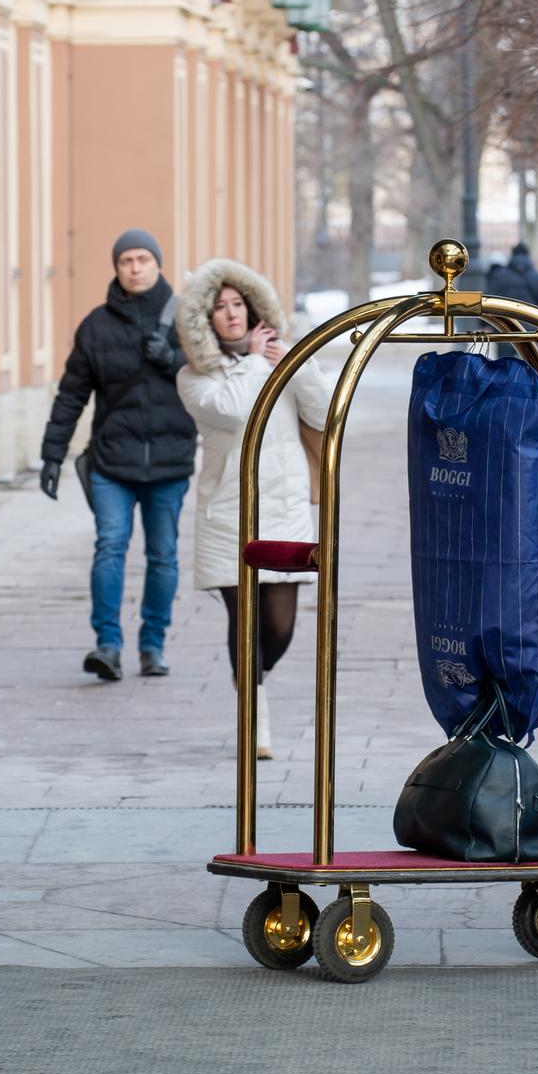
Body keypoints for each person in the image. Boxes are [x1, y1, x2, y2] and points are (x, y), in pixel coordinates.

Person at [176, 258, 330, 761]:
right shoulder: (195, 378)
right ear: (206, 321)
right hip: (229, 515)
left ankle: (252, 685)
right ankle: (256, 721)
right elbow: (233, 409)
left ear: (254, 307)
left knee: (280, 627)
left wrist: (296, 362)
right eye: (219, 308)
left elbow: (325, 410)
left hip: (285, 508)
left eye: (238, 304)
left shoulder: (277, 358)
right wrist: (251, 362)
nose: (231, 314)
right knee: (244, 622)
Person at [39, 229, 197, 682]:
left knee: (163, 555)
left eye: (143, 258)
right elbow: (72, 395)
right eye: (126, 260)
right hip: (112, 461)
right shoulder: (96, 326)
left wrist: (171, 359)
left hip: (169, 460)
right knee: (110, 546)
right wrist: (52, 455)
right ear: (116, 267)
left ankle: (153, 645)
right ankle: (107, 644)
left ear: (158, 264)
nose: (135, 267)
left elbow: (216, 371)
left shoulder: (187, 317)